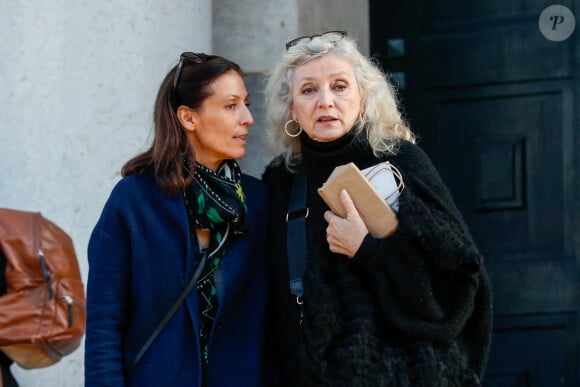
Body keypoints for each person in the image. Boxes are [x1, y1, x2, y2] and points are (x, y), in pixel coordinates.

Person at [262, 31, 493, 386]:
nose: (325, 101)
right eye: (309, 90)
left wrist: (369, 250)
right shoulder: (282, 181)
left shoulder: (402, 163)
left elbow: (462, 285)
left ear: (363, 97)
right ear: (291, 107)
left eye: (339, 86)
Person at [85, 52, 269, 387]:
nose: (248, 118)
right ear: (188, 117)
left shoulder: (259, 201)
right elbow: (103, 326)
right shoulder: (134, 200)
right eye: (231, 106)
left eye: (247, 103)